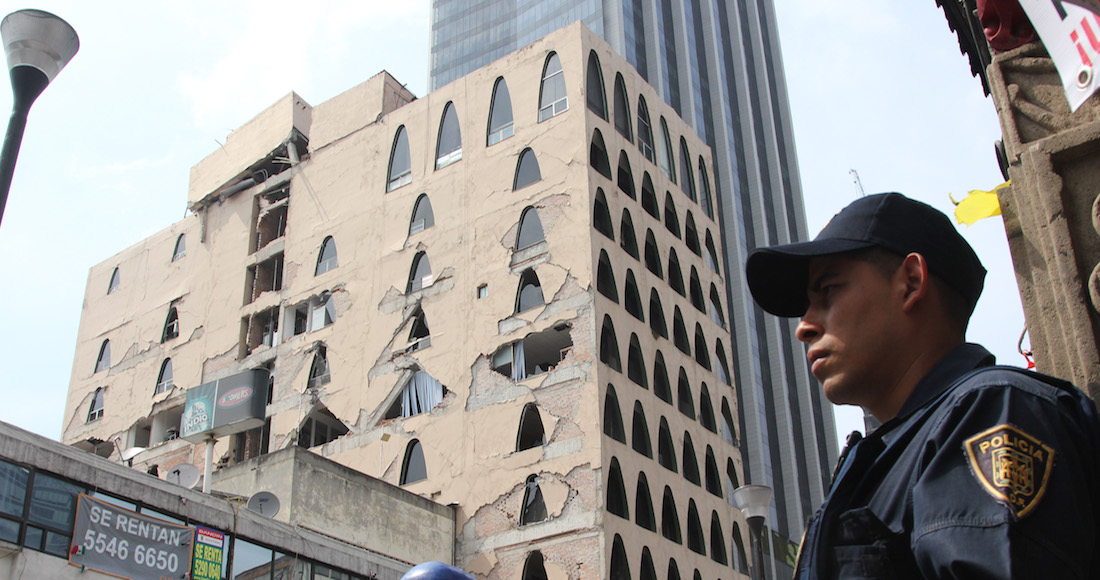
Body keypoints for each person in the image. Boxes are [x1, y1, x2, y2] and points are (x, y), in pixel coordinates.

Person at [744, 192, 1100, 578]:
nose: (804, 327)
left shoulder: (993, 411)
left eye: (828, 290)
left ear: (911, 282)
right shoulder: (893, 457)